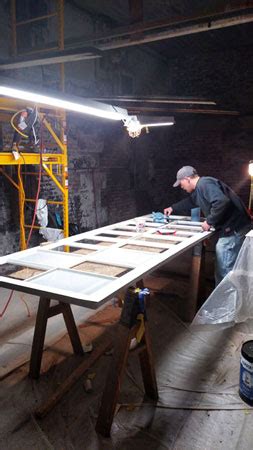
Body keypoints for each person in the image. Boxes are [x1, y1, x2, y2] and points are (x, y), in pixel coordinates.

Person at [164, 166, 252, 285]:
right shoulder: (199, 189)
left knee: (224, 269)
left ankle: (225, 301)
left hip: (234, 228)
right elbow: (191, 202)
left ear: (188, 179)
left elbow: (221, 201)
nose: (181, 186)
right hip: (233, 227)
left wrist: (209, 221)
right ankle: (228, 297)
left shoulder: (204, 183)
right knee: (226, 264)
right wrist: (173, 208)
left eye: (181, 182)